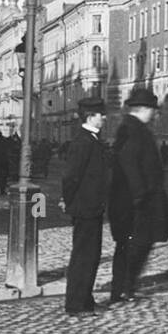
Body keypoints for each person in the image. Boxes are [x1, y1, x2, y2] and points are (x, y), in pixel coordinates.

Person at [110, 87, 168, 303]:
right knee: (136, 245)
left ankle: (125, 287)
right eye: (153, 109)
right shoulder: (133, 130)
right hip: (138, 202)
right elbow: (130, 162)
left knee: (137, 244)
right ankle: (124, 287)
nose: (155, 114)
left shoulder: (134, 128)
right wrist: (140, 195)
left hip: (140, 199)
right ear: (144, 109)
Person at [61, 97, 111, 316]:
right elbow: (71, 177)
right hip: (85, 208)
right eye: (101, 115)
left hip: (93, 208)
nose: (104, 118)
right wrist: (68, 201)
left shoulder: (92, 139)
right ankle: (75, 304)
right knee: (83, 256)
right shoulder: (83, 141)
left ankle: (86, 300)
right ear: (91, 116)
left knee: (91, 255)